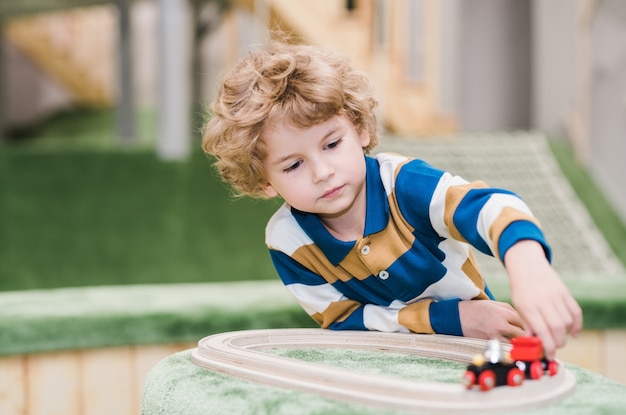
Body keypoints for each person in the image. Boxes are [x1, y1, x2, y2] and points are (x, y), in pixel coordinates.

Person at [202, 40, 582, 359]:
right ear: (264, 181)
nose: (322, 172)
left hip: (478, 348)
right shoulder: (287, 241)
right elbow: (342, 321)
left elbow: (490, 207)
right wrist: (452, 319)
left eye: (332, 144)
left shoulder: (402, 184)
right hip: (380, 367)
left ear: (361, 128)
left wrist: (530, 268)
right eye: (293, 165)